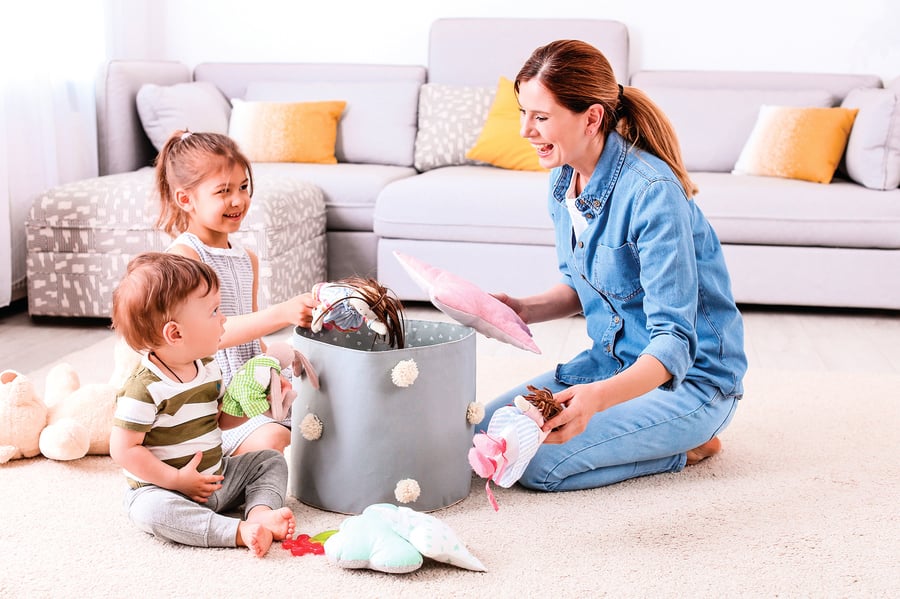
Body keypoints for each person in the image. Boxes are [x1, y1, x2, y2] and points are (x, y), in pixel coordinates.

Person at [476, 40, 748, 492]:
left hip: (690, 382)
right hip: (613, 362)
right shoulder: (564, 180)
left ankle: (690, 445)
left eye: (541, 117)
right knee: (489, 430)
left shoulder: (652, 192)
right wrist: (521, 308)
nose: (526, 130)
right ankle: (643, 432)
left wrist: (595, 401)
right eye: (523, 112)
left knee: (539, 464)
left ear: (592, 117)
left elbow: (674, 342)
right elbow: (583, 285)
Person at [109, 252, 296, 557]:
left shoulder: (208, 367)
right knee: (150, 511)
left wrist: (255, 404)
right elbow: (124, 449)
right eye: (214, 312)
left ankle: (260, 513)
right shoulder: (144, 388)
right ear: (176, 333)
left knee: (270, 461)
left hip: (217, 476)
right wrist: (176, 480)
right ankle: (234, 531)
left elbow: (222, 419)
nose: (223, 319)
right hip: (165, 489)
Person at [155, 130, 317, 456]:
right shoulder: (185, 257)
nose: (238, 200)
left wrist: (274, 370)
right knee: (277, 442)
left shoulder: (248, 259)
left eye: (243, 187)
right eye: (223, 191)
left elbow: (251, 342)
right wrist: (281, 313)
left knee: (324, 409)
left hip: (250, 383)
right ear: (185, 199)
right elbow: (205, 338)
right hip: (214, 401)